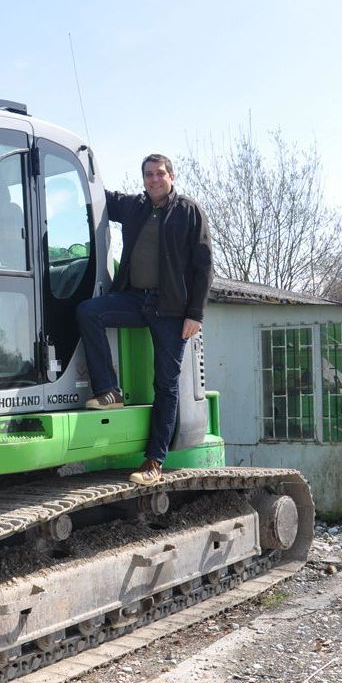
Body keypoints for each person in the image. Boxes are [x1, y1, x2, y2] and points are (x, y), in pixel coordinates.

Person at [75, 154, 212, 486]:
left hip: (172, 310)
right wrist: (78, 168)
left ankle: (154, 461)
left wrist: (195, 314)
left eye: (160, 174)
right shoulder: (134, 206)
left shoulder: (189, 211)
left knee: (165, 384)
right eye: (149, 174)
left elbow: (204, 265)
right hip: (137, 300)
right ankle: (109, 391)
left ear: (171, 177)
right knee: (89, 311)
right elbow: (101, 195)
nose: (154, 179)